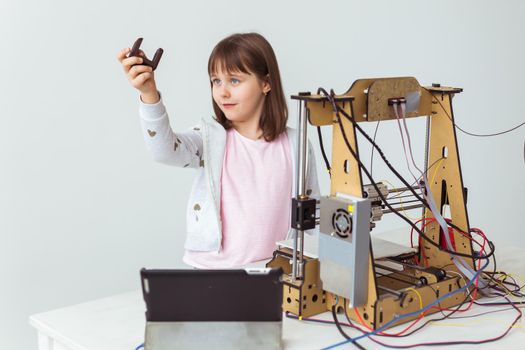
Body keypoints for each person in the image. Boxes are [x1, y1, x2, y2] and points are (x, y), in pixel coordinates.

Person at [117, 32, 319, 268]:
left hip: (274, 273)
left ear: (266, 83)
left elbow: (312, 215)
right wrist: (149, 93)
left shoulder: (296, 144)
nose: (222, 92)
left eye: (234, 80)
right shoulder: (210, 138)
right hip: (212, 272)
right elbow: (164, 150)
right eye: (216, 81)